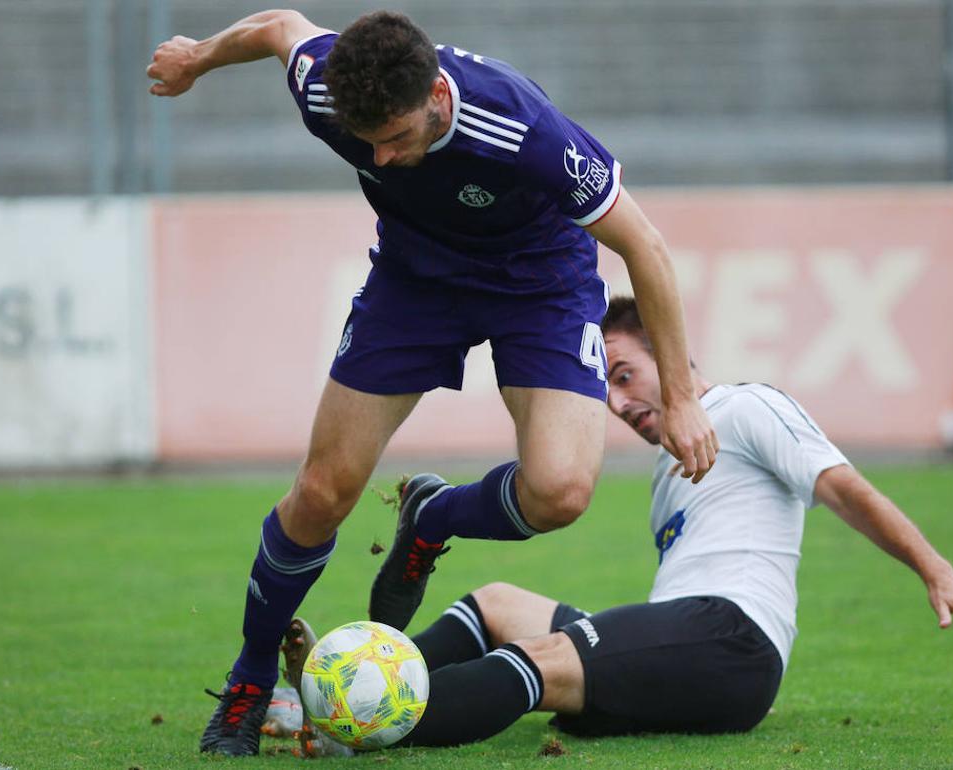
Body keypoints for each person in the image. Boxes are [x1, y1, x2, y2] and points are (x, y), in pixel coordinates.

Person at [146, 9, 718, 756]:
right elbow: (281, 25)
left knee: (561, 492)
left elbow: (645, 246)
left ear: (438, 100)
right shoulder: (327, 88)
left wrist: (679, 395)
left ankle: (434, 519)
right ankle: (253, 679)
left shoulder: (525, 131)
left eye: (396, 138)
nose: (379, 159)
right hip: (416, 280)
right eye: (367, 142)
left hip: (536, 282)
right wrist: (198, 57)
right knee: (322, 492)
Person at [280, 295, 953, 751]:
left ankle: (365, 722)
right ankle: (364, 684)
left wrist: (937, 569)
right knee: (500, 602)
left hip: (733, 642)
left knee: (544, 658)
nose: (621, 403)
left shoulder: (745, 407)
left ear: (674, 359)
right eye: (606, 391)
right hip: (688, 642)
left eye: (627, 376)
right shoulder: (673, 473)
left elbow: (845, 489)